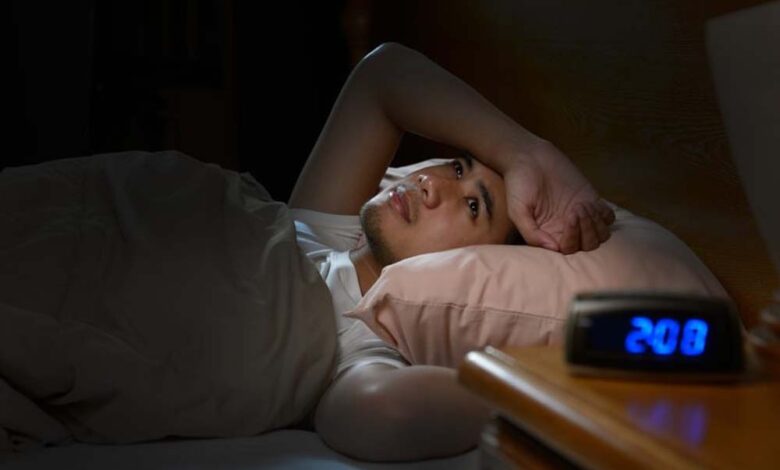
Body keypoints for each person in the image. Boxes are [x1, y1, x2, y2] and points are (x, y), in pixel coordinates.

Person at [288, 42, 616, 461]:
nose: (431, 183)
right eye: (458, 168)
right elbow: (383, 74)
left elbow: (383, 410)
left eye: (473, 206)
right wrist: (526, 154)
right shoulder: (318, 232)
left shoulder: (352, 341)